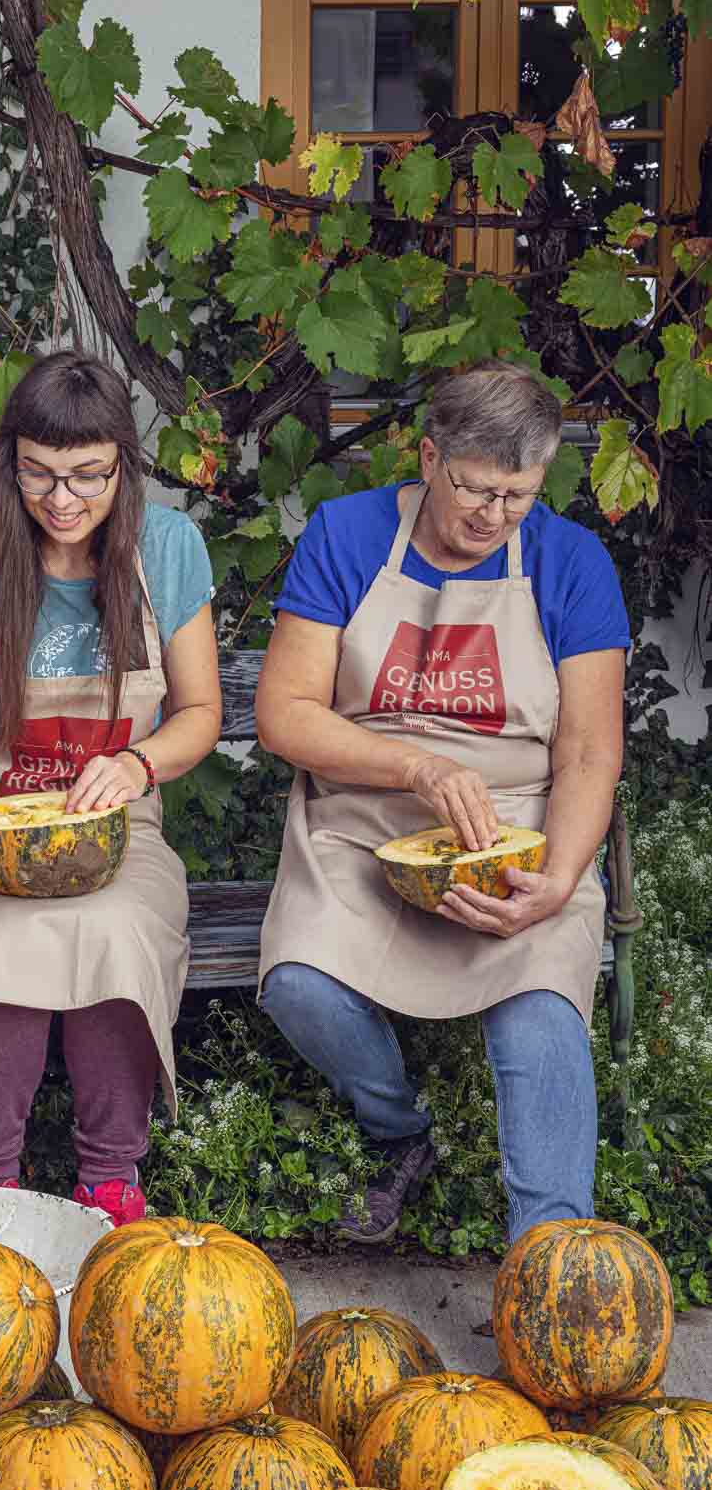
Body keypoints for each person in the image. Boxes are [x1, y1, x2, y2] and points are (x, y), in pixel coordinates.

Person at [254, 359, 628, 1247]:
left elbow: (586, 750)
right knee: (298, 986)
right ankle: (399, 1129)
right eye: (477, 490)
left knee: (540, 1017)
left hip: (520, 832)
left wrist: (558, 876)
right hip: (363, 821)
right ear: (428, 458)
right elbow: (285, 714)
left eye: (518, 497)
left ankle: (554, 1259)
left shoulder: (571, 562)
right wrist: (414, 767)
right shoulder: (348, 536)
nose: (493, 517)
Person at [0, 350, 222, 1225]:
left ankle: (111, 1179)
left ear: (123, 462)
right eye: (38, 474)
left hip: (123, 831)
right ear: (10, 465)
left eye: (88, 476)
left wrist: (139, 764)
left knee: (116, 929)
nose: (63, 499)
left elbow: (200, 713)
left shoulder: (168, 549)